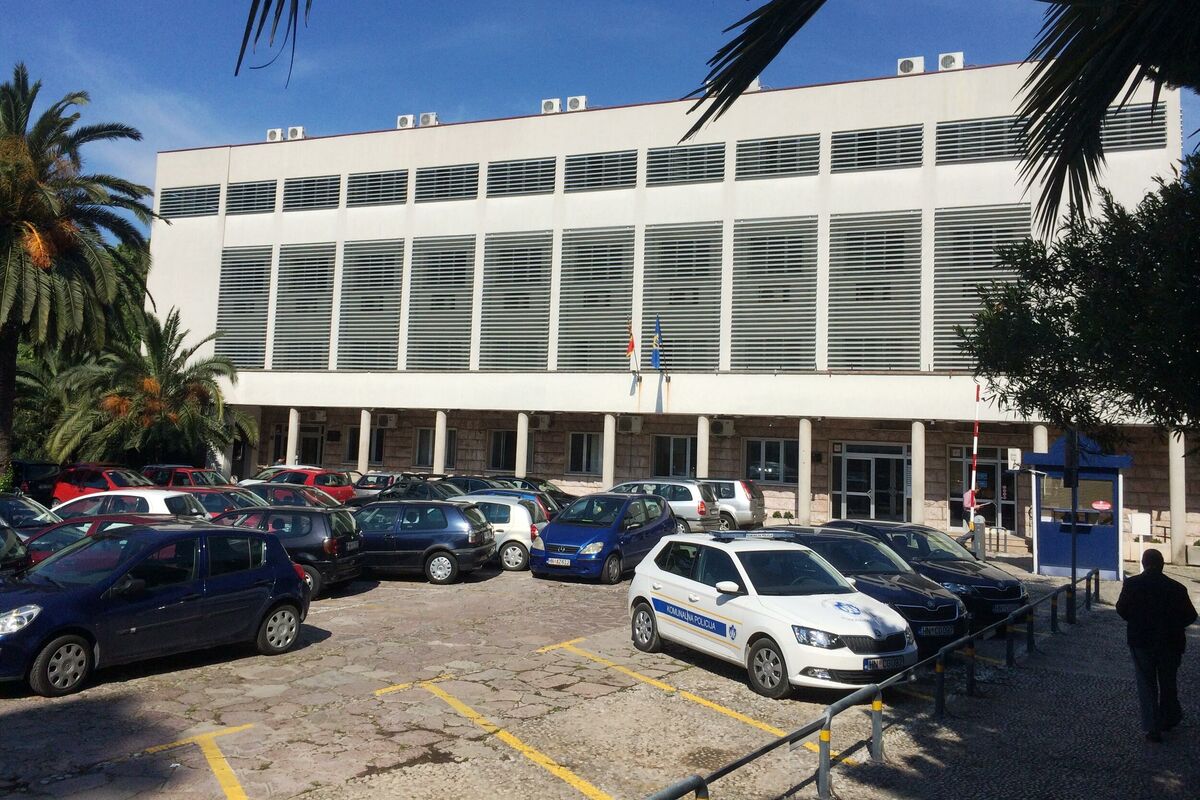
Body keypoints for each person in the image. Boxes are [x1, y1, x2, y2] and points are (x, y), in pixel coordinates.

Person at [1115, 549, 1197, 742]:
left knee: (1146, 684)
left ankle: (1152, 727)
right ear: (1162, 565)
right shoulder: (1177, 588)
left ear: (1144, 564)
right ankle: (1168, 718)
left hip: (1141, 640)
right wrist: (1174, 626)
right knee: (1168, 682)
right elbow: (1191, 615)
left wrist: (1136, 622)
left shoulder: (1132, 584)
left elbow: (1121, 608)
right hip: (1170, 643)